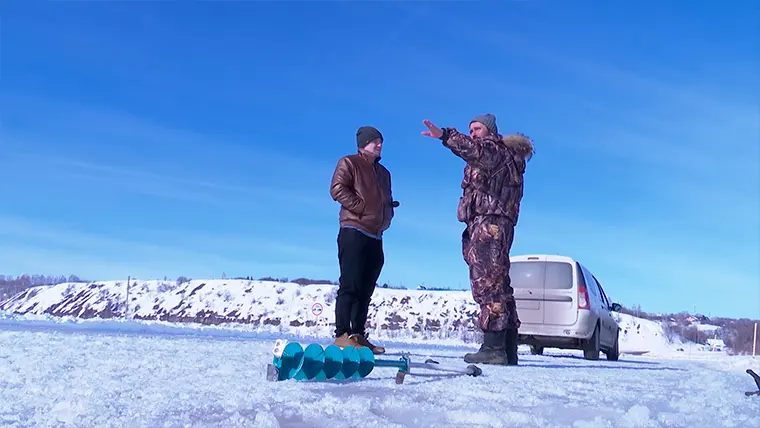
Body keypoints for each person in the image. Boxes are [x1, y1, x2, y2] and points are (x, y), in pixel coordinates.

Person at [421, 114, 534, 365]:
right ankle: (507, 347)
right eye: (470, 129)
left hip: (490, 224)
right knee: (499, 282)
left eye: (477, 128)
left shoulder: (494, 150)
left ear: (490, 131)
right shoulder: (502, 155)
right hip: (493, 224)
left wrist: (445, 136)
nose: (472, 133)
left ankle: (494, 348)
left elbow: (474, 150)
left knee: (487, 282)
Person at [329, 125, 399, 355]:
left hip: (376, 234)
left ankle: (358, 335)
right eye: (374, 141)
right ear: (362, 144)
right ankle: (342, 335)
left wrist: (388, 211)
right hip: (353, 229)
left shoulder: (384, 173)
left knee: (366, 288)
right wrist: (361, 207)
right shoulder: (349, 163)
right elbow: (337, 188)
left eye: (380, 141)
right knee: (350, 284)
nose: (379, 145)